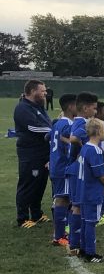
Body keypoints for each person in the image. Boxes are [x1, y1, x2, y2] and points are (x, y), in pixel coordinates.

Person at [13, 79, 52, 228]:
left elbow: (47, 124)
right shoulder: (22, 108)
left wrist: (53, 127)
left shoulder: (39, 107)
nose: (45, 93)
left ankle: (36, 213)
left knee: (40, 183)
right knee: (28, 184)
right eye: (42, 91)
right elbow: (32, 128)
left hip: (43, 152)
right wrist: (54, 131)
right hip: (30, 153)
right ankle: (22, 218)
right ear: (33, 91)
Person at [65, 92, 98, 252]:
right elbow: (72, 138)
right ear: (85, 108)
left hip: (77, 169)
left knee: (79, 205)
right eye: (94, 108)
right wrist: (82, 150)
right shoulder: (82, 122)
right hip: (76, 169)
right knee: (77, 206)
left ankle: (77, 241)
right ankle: (74, 243)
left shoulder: (81, 121)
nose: (95, 111)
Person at [78, 117, 104, 263]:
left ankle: (83, 249)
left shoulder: (85, 147)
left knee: (85, 220)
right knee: (91, 222)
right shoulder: (95, 150)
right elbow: (99, 173)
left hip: (83, 190)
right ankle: (91, 254)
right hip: (92, 191)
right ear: (98, 132)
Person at [48, 93, 76, 245]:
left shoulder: (58, 123)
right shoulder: (68, 125)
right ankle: (58, 236)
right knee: (63, 199)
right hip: (64, 167)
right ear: (71, 107)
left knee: (64, 198)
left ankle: (60, 233)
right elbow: (68, 147)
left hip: (57, 166)